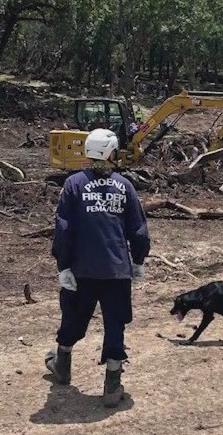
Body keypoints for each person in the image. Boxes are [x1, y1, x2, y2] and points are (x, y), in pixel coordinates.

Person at [45, 128, 151, 408]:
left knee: (74, 316)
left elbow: (64, 228)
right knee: (115, 323)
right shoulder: (125, 186)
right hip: (117, 270)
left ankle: (63, 364)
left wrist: (63, 265)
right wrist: (138, 261)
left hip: (82, 269)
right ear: (111, 153)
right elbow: (139, 230)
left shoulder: (74, 184)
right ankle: (112, 385)